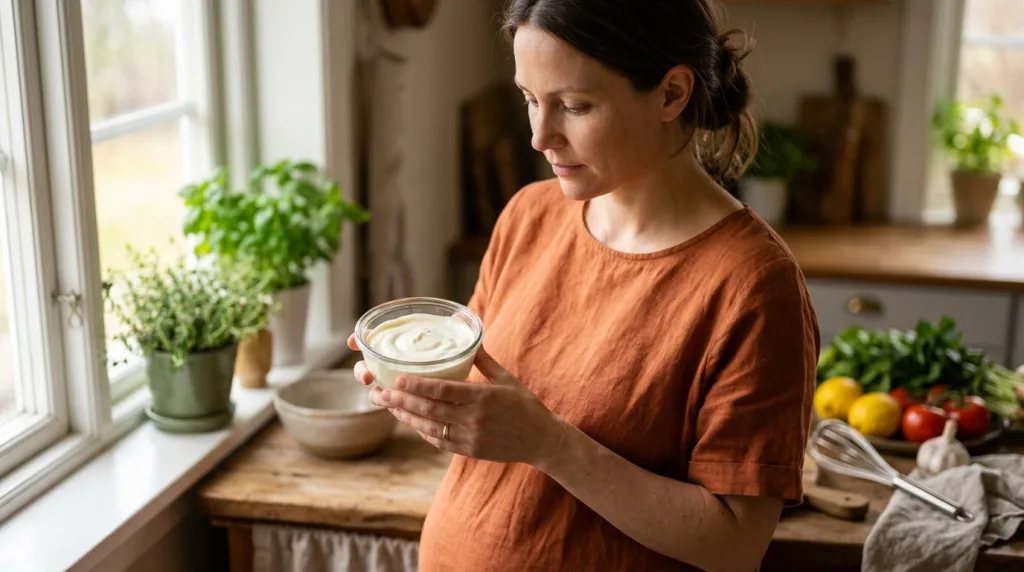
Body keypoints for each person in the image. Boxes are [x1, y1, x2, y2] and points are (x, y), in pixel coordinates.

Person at [346, 1, 820, 570]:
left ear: (672, 94)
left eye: (574, 106)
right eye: (529, 100)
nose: (540, 137)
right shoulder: (529, 214)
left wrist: (550, 444)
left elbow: (734, 544)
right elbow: (486, 407)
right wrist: (419, 389)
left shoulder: (753, 286)